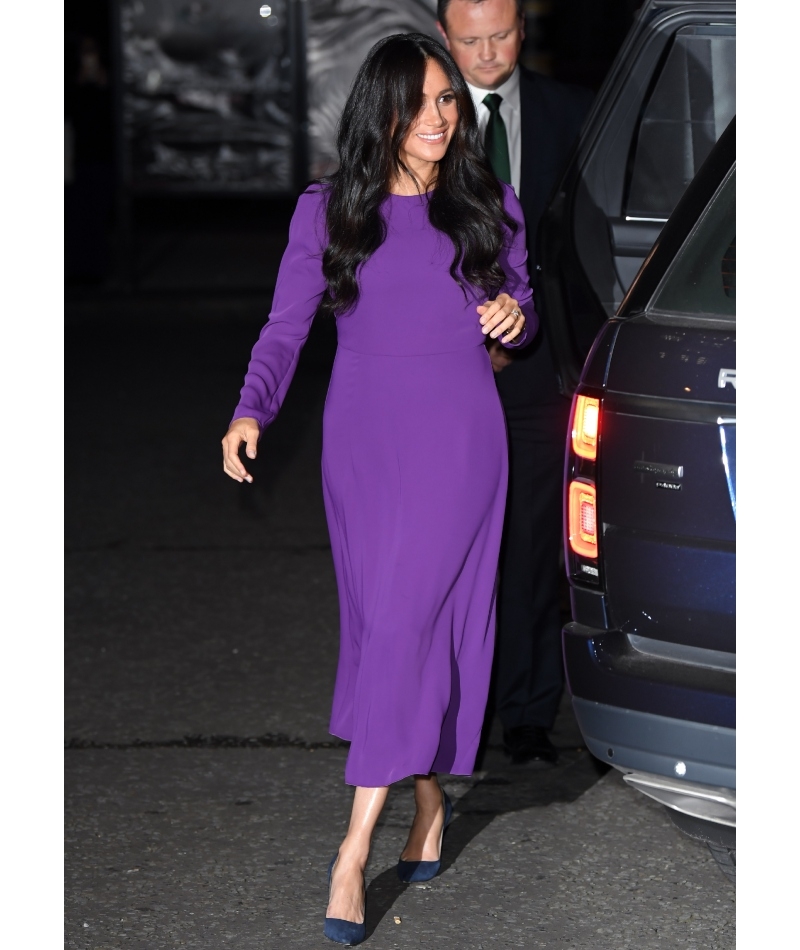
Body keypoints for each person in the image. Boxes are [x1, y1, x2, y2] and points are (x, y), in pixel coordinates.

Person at [220, 33, 537, 946]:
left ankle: (352, 853)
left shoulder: (488, 204)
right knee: (392, 626)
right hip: (362, 443)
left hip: (458, 442)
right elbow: (285, 328)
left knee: (404, 621)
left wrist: (515, 316)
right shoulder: (330, 212)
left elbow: (520, 311)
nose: (443, 118)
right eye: (426, 101)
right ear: (382, 111)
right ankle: (429, 802)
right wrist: (252, 410)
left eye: (450, 101)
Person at [436, 0, 594, 767]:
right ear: (444, 37)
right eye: (470, 40)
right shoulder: (418, 115)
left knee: (534, 538)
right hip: (439, 363)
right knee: (449, 542)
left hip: (537, 364)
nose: (488, 52)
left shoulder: (574, 111)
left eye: (500, 35)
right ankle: (453, 707)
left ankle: (529, 711)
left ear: (524, 28)